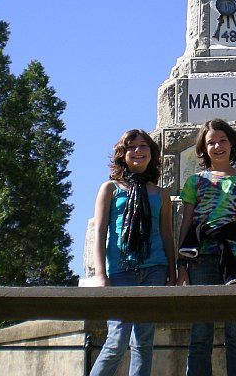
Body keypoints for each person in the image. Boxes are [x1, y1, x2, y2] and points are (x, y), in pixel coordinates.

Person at [176, 118, 236, 376]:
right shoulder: (195, 181)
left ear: (232, 143)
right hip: (201, 257)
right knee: (200, 331)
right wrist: (181, 266)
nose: (217, 146)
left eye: (222, 140)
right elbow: (186, 224)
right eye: (211, 142)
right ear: (203, 149)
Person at [90, 128, 175, 376]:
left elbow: (167, 234)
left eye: (143, 147)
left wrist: (172, 271)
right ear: (122, 155)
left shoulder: (161, 193)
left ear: (152, 153)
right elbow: (101, 232)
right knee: (116, 340)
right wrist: (100, 273)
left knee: (143, 342)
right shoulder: (110, 188)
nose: (138, 151)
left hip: (155, 270)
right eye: (131, 147)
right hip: (120, 271)